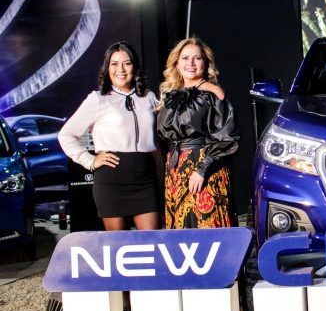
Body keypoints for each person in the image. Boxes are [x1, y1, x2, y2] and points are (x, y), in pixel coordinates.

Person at [58, 41, 160, 231]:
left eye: (126, 63)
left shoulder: (148, 97)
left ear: (134, 67)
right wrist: (89, 160)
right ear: (107, 68)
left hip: (145, 176)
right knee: (116, 244)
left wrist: (161, 170)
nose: (120, 69)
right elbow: (66, 135)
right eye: (114, 64)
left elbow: (157, 139)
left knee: (151, 241)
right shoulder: (98, 99)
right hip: (111, 178)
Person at [157, 37, 239, 229]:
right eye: (185, 58)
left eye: (197, 58)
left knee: (206, 229)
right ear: (177, 64)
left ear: (205, 63)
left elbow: (227, 138)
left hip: (204, 168)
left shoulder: (213, 94)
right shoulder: (171, 95)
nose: (191, 63)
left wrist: (202, 170)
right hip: (176, 171)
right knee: (181, 234)